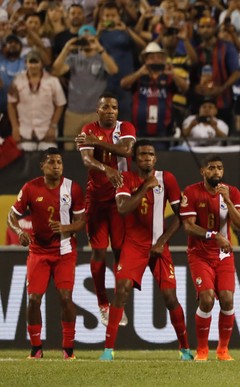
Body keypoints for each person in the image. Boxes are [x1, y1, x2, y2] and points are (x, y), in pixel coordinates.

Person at [99, 140, 193, 361]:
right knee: (121, 290)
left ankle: (185, 348)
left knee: (170, 297)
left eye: (150, 154)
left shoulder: (167, 179)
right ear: (135, 158)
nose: (147, 158)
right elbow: (122, 209)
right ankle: (108, 350)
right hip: (134, 245)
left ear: (155, 158)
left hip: (159, 245)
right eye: (142, 154)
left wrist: (162, 241)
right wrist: (144, 188)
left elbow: (182, 217)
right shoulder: (126, 179)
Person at [7, 147, 85, 359]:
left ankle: (68, 349)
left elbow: (82, 221)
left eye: (59, 162)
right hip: (38, 252)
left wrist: (66, 228)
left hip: (65, 251)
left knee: (65, 297)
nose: (56, 166)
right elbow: (11, 216)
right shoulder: (31, 188)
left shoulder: (73, 188)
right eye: (51, 162)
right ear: (42, 166)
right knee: (33, 300)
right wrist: (18, 231)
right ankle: (36, 348)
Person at [75, 92, 136, 328]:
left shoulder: (126, 126)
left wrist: (96, 142)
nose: (110, 110)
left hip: (121, 198)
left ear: (118, 111)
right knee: (99, 252)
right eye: (105, 107)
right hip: (96, 199)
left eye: (114, 107)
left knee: (120, 252)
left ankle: (119, 305)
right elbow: (87, 160)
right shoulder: (87, 127)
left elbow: (127, 151)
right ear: (98, 111)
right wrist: (107, 169)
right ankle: (103, 304)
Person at [180, 155, 240, 361]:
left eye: (219, 168)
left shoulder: (232, 192)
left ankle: (223, 350)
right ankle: (202, 350)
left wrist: (227, 200)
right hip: (199, 255)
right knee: (207, 299)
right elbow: (188, 226)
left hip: (224, 256)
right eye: (211, 168)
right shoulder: (191, 192)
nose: (216, 172)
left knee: (227, 299)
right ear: (203, 171)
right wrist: (213, 235)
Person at [52, 26, 119, 151]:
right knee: (69, 150)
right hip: (73, 112)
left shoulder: (102, 57)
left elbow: (114, 70)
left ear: (95, 38)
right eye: (83, 39)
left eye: (89, 39)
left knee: (96, 151)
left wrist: (100, 49)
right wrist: (66, 49)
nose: (86, 41)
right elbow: (56, 71)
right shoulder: (73, 58)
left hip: (95, 114)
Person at [121, 42, 189, 148]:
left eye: (159, 57)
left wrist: (173, 74)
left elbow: (185, 88)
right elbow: (123, 84)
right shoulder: (139, 77)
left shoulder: (168, 77)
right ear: (145, 60)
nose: (155, 60)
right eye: (151, 57)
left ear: (163, 59)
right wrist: (139, 73)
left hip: (162, 132)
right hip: (139, 131)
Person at [8, 50, 66, 151]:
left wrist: (53, 126)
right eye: (31, 62)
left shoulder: (53, 81)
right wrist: (15, 127)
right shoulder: (16, 81)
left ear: (41, 63)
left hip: (47, 130)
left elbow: (60, 104)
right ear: (26, 63)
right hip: (24, 131)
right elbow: (11, 104)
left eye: (36, 62)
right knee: (24, 164)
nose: (33, 65)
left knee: (49, 162)